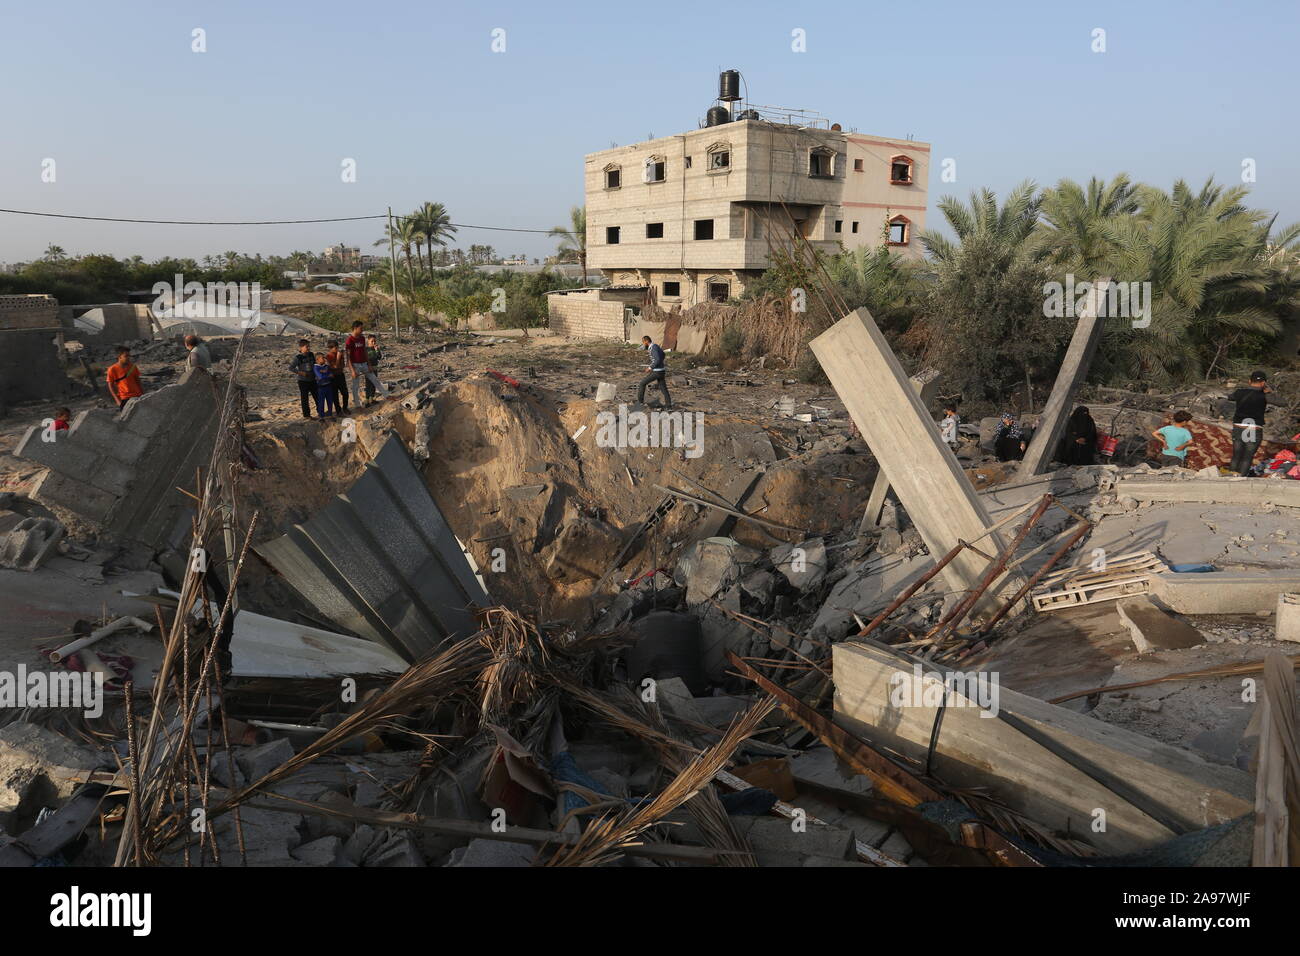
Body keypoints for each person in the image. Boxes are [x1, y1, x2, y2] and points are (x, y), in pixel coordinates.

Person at [1229, 371, 1271, 476]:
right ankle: (1241, 479)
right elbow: (1283, 402)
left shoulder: (1239, 392)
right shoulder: (1265, 395)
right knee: (1247, 457)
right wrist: (1269, 392)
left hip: (1239, 427)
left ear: (1249, 381)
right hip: (1253, 428)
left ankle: (1230, 478)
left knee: (1236, 455)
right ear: (1263, 383)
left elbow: (1230, 397)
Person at [345, 321, 389, 407]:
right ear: (355, 328)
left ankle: (387, 396)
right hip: (355, 365)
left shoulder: (361, 338)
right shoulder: (349, 340)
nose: (362, 330)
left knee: (375, 380)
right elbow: (348, 357)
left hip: (364, 363)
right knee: (356, 386)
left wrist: (369, 364)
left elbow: (365, 352)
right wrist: (352, 370)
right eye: (361, 328)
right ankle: (357, 405)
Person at [636, 335, 672, 408]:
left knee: (642, 383)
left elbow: (657, 359)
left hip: (657, 372)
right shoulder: (655, 346)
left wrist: (650, 367)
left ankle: (640, 402)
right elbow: (663, 354)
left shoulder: (653, 348)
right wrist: (659, 364)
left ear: (646, 341)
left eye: (643, 342)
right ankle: (668, 405)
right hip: (661, 371)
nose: (643, 344)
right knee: (663, 388)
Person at [289, 338, 316, 419]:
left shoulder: (311, 354)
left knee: (317, 396)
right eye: (306, 347)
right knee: (305, 398)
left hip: (312, 379)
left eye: (309, 347)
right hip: (303, 381)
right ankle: (307, 415)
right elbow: (291, 368)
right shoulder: (298, 357)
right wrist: (301, 373)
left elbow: (314, 364)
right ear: (301, 348)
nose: (308, 348)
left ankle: (320, 411)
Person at [324, 339, 348, 414]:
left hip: (340, 375)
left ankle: (345, 408)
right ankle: (338, 410)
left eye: (337, 347)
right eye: (335, 348)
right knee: (335, 395)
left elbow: (342, 365)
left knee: (345, 393)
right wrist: (337, 358)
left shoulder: (340, 355)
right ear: (331, 348)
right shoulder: (328, 356)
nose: (337, 349)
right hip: (333, 377)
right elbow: (334, 367)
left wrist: (339, 360)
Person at [313, 353, 338, 418]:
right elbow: (320, 377)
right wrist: (326, 375)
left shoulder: (326, 366)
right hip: (321, 388)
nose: (324, 359)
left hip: (329, 386)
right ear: (317, 359)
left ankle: (330, 414)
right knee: (321, 402)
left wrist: (324, 374)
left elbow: (331, 375)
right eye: (322, 358)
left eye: (324, 358)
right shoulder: (315, 367)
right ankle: (321, 416)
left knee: (330, 401)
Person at [364, 334, 383, 403]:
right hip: (368, 370)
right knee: (368, 384)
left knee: (373, 384)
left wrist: (377, 350)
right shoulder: (366, 349)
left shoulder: (375, 349)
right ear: (368, 341)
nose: (374, 343)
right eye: (372, 341)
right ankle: (367, 399)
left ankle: (371, 399)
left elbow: (379, 357)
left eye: (375, 341)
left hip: (374, 369)